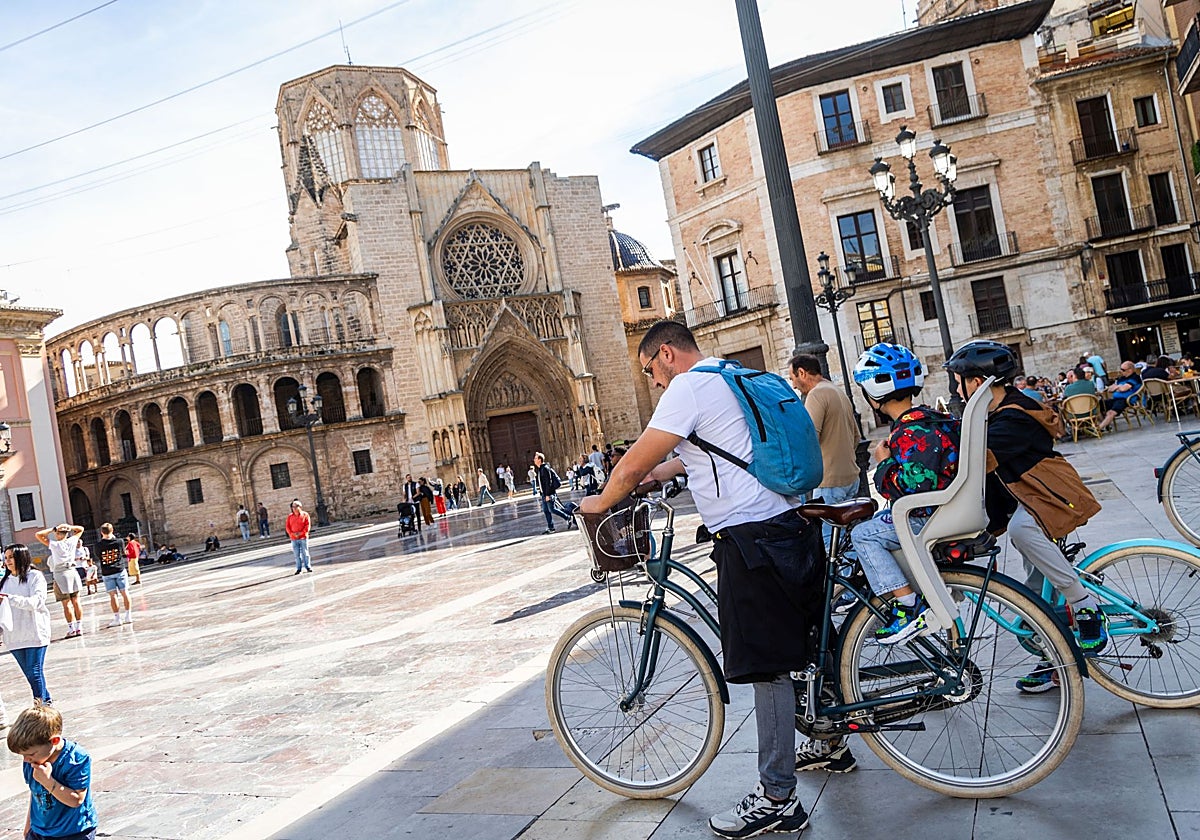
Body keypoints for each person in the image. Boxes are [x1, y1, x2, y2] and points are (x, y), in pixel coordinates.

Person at [581, 321, 820, 838]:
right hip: (787, 526)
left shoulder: (687, 386)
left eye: (650, 372)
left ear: (666, 354)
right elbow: (722, 448)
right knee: (797, 648)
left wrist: (600, 502)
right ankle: (828, 740)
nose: (654, 383)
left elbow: (629, 465)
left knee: (769, 667)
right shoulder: (731, 374)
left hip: (751, 540)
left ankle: (778, 797)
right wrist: (666, 473)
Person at [794, 344, 960, 775]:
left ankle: (906, 605)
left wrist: (886, 464)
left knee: (866, 534)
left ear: (874, 395)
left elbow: (908, 484)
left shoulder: (909, 431)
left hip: (920, 517)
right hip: (933, 512)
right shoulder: (935, 420)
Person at [946, 341, 1108, 693]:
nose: (957, 389)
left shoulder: (1015, 416)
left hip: (1049, 498)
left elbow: (975, 459)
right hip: (1027, 498)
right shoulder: (995, 412)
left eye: (959, 381)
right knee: (1036, 595)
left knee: (1021, 532)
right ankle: (1054, 661)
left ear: (976, 382)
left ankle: (1085, 605)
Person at [7, 705, 98, 840]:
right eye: (23, 755)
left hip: (74, 832)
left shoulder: (76, 759)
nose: (26, 759)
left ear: (54, 741)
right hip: (40, 831)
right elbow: (35, 793)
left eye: (30, 754)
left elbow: (77, 800)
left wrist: (47, 781)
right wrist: (29, 825)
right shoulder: (31, 760)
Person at [788, 353, 860, 507]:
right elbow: (856, 436)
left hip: (829, 484)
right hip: (851, 479)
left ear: (802, 373)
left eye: (792, 379)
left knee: (828, 532)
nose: (794, 386)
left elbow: (809, 439)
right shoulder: (837, 391)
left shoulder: (816, 394)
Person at [0, 544, 53, 706]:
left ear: (21, 558)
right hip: (14, 635)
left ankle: (40, 706)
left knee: (35, 671)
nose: (8, 561)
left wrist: (10, 598)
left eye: (11, 557)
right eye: (6, 557)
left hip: (35, 632)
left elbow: (36, 602)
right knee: (29, 674)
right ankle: (46, 701)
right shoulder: (4, 582)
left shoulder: (35, 577)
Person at [36, 525, 84, 640]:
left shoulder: (55, 544)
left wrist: (52, 530)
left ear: (58, 534)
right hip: (72, 571)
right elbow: (80, 529)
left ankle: (71, 629)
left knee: (66, 603)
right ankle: (79, 627)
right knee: (76, 601)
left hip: (61, 573)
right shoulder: (72, 541)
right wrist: (69, 527)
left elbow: (38, 535)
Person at [94, 523, 133, 628]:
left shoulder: (98, 545)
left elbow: (98, 556)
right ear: (112, 530)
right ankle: (128, 616)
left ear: (101, 532)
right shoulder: (119, 541)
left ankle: (117, 618)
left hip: (107, 572)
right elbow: (123, 552)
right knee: (125, 592)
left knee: (113, 595)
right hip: (119, 569)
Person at [534, 452, 575, 534]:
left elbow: (548, 482)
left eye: (535, 458)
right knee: (546, 511)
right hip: (544, 494)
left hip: (549, 494)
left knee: (552, 509)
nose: (534, 460)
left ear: (540, 459)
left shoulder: (545, 468)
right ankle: (551, 527)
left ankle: (568, 517)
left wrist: (548, 494)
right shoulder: (540, 469)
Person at [1097, 362, 1141, 431]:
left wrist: (1118, 387)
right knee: (1097, 405)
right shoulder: (1121, 379)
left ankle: (1098, 429)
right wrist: (1119, 387)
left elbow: (1123, 389)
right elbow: (1110, 389)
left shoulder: (1135, 377)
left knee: (1111, 412)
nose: (1121, 371)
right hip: (1115, 399)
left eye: (1123, 370)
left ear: (1130, 370)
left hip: (1126, 400)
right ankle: (1105, 425)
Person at [286, 499, 313, 574]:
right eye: (293, 507)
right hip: (294, 538)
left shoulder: (305, 515)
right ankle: (299, 568)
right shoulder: (290, 517)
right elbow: (287, 527)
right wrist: (292, 534)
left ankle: (308, 566)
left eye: (295, 506)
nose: (294, 508)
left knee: (305, 553)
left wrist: (301, 533)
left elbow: (307, 525)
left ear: (300, 507)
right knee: (296, 554)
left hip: (303, 537)